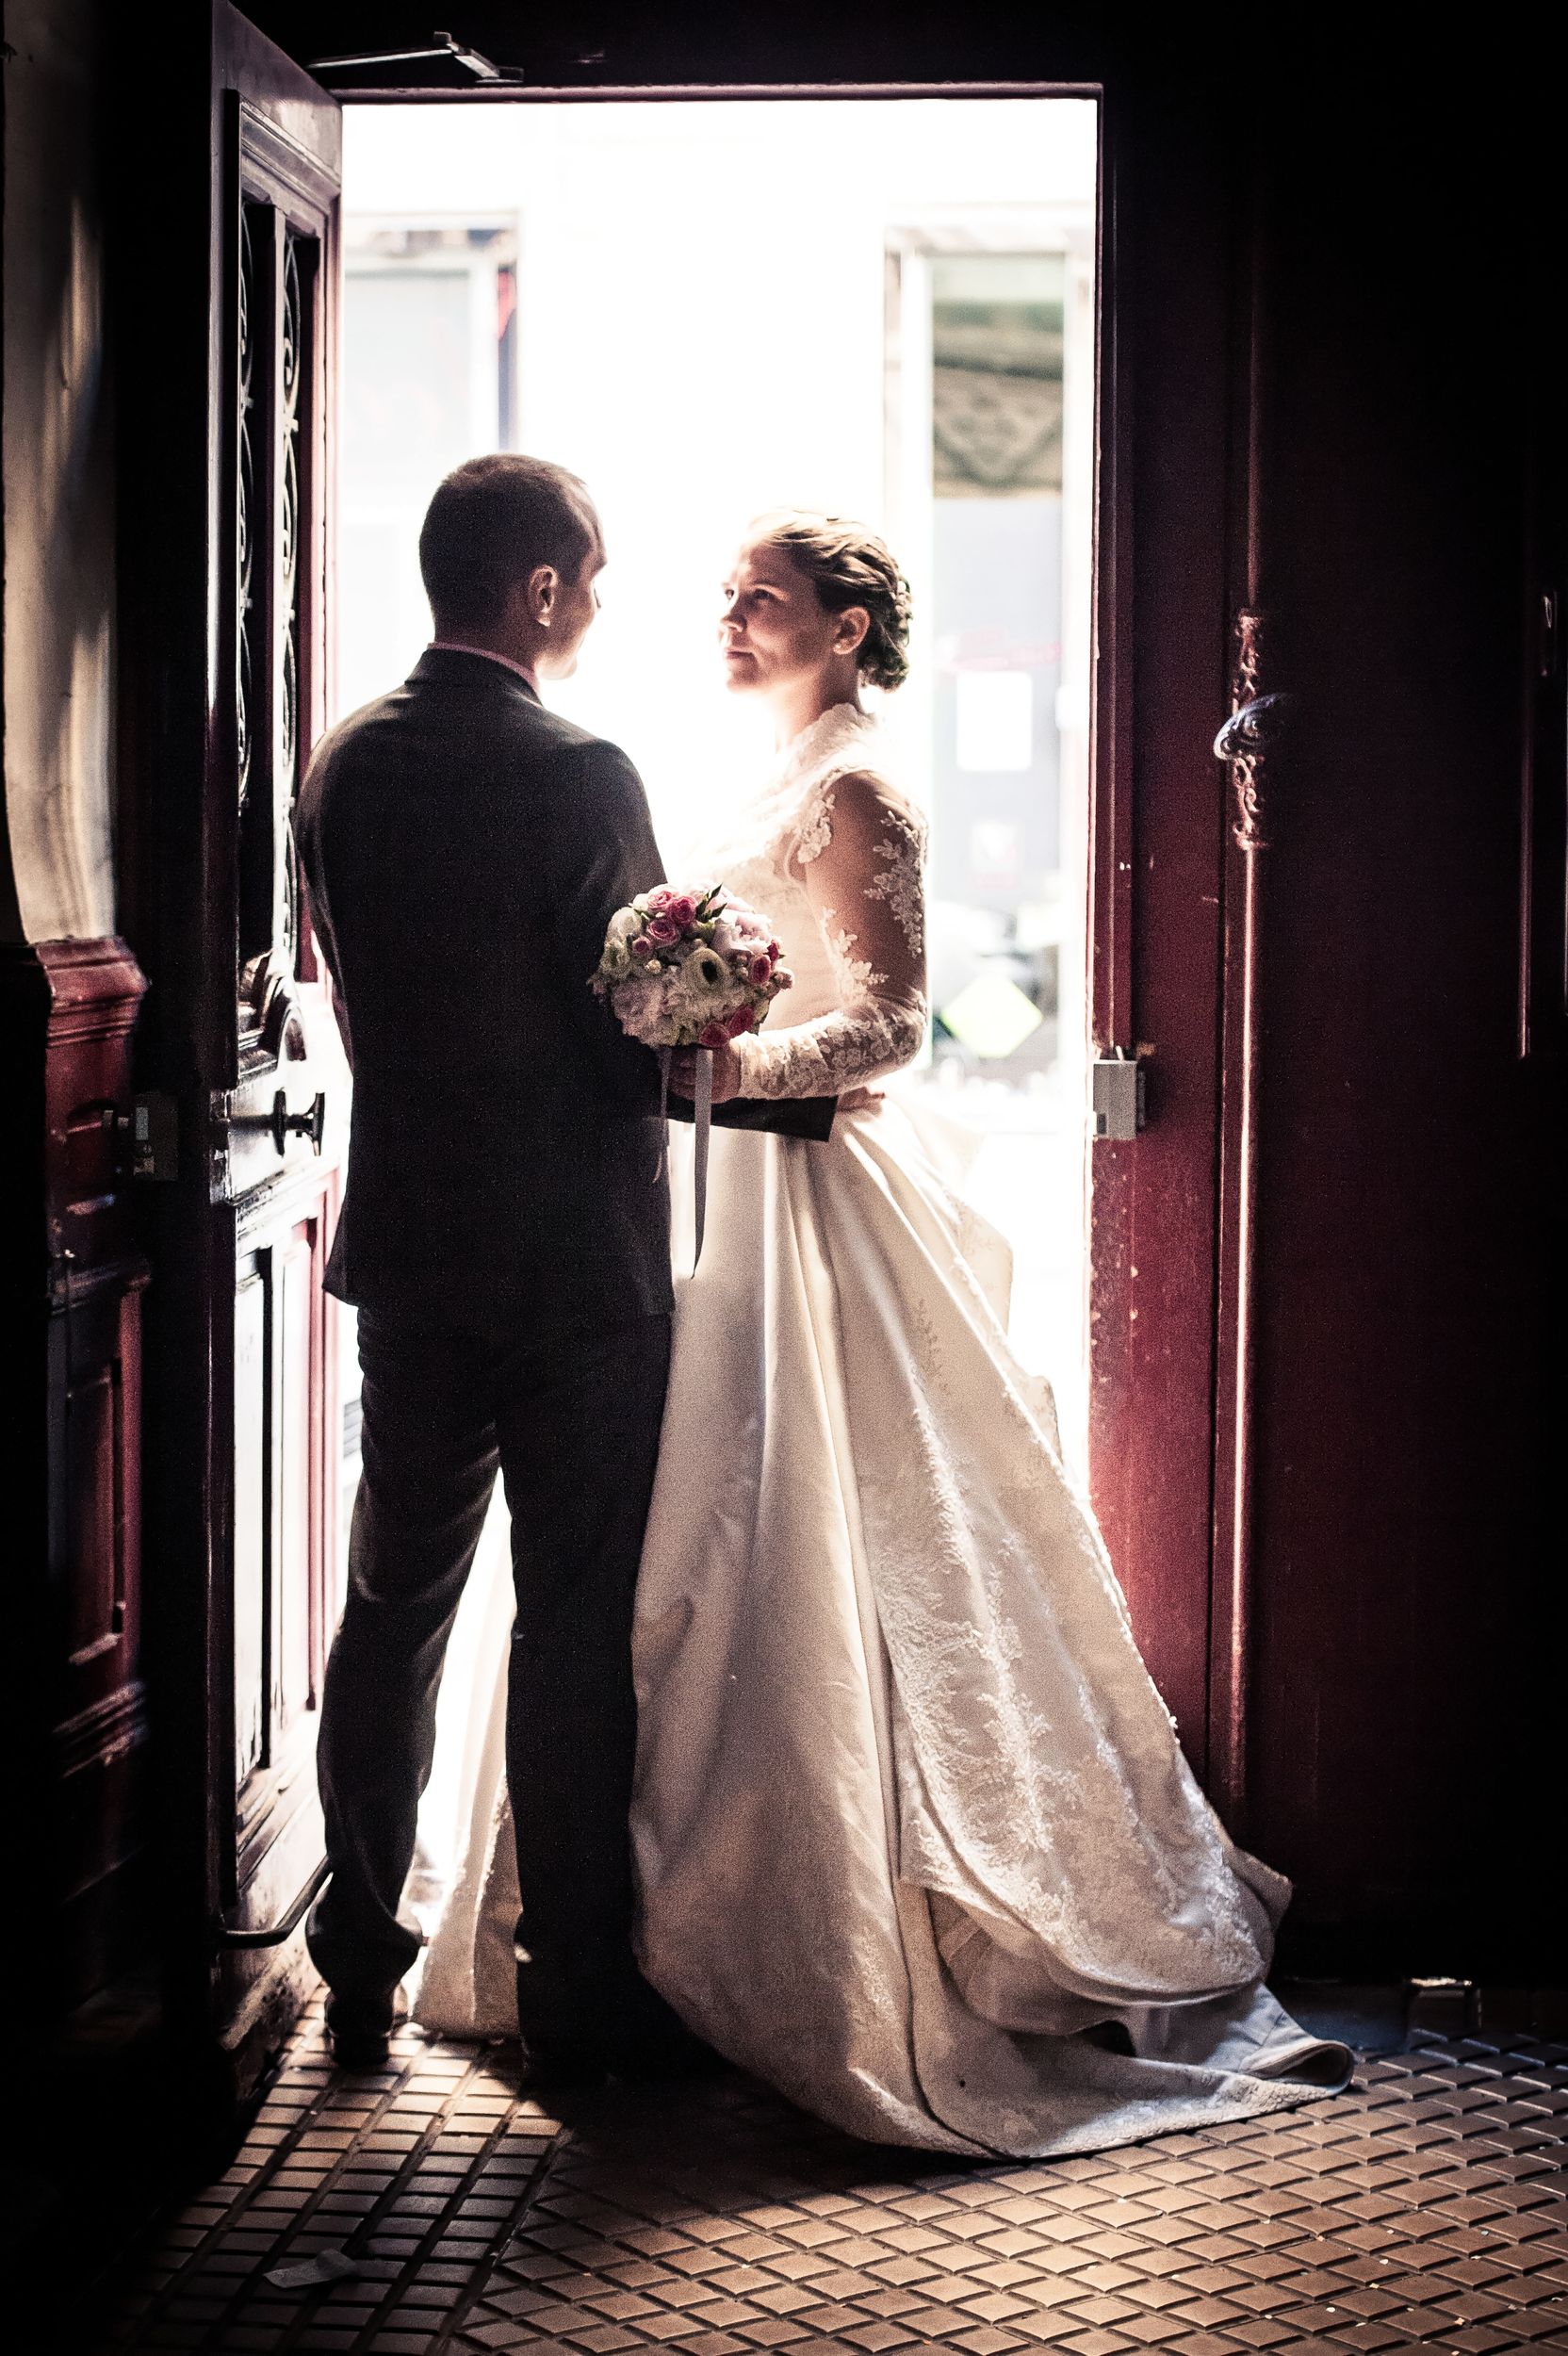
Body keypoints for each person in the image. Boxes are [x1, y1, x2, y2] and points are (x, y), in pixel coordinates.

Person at [415, 509, 1352, 2157]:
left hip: (803, 1193)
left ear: (845, 628)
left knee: (802, 1529)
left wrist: (728, 1066)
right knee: (671, 1537)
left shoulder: (859, 788)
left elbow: (893, 1020)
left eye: (760, 599)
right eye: (724, 596)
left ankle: (852, 1919)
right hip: (710, 1201)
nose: (728, 618)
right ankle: (635, 1929)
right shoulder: (763, 773)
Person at [295, 454, 686, 2078]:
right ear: (538, 590)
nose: (592, 608)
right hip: (579, 1267)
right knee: (571, 1622)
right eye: (587, 581)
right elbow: (637, 1036)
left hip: (416, 1252)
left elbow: (349, 984)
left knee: (394, 1604)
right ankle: (573, 1986)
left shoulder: (344, 763)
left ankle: (357, 1959)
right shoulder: (582, 771)